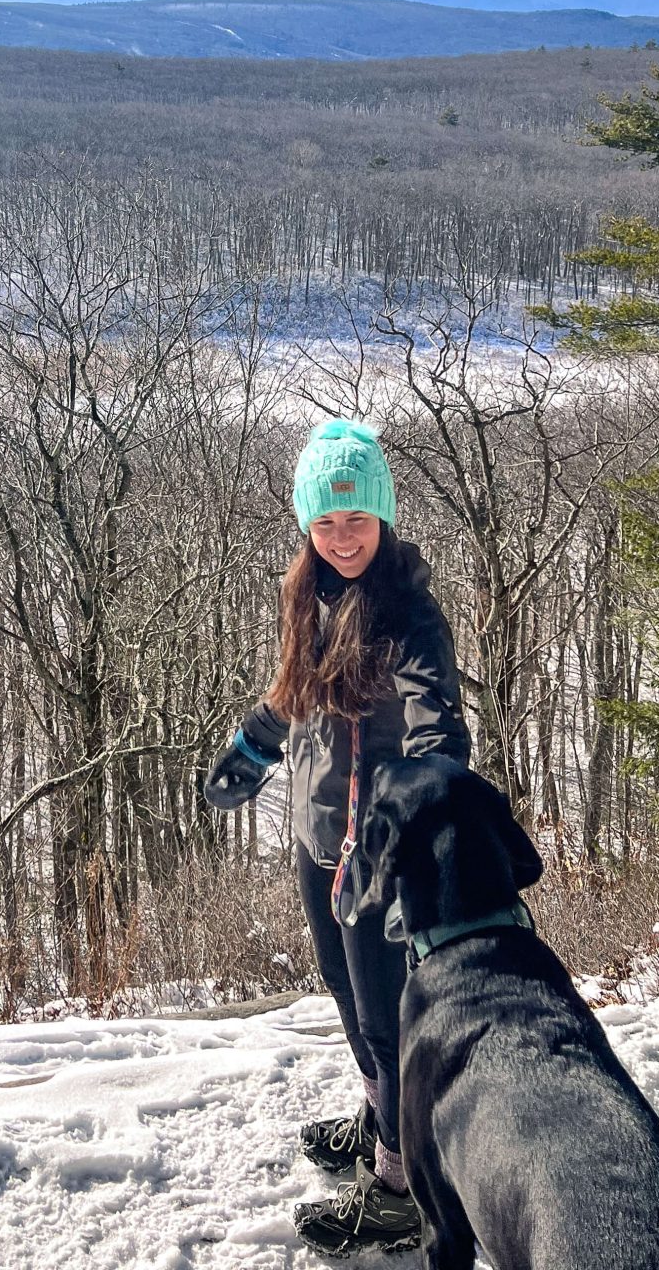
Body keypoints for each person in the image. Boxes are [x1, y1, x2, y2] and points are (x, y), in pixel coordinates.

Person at [203, 418, 469, 1257]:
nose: (343, 536)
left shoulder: (408, 613)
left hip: (378, 854)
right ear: (306, 526)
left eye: (356, 520)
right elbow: (294, 696)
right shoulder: (309, 595)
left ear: (384, 516)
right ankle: (377, 1118)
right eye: (326, 521)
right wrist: (254, 744)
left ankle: (398, 1189)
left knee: (388, 1022)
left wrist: (428, 790)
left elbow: (437, 724)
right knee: (351, 1005)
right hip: (319, 836)